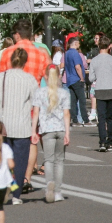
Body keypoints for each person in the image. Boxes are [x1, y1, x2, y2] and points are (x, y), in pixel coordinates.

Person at [0, 47, 38, 202]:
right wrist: (34, 128)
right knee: (20, 162)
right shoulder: (30, 79)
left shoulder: (0, 78)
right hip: (23, 126)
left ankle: (5, 186)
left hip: (3, 125)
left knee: (3, 160)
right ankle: (16, 195)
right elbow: (36, 105)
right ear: (25, 62)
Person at [33, 66, 71, 203]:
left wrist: (33, 131)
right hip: (60, 129)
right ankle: (59, 192)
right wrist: (67, 133)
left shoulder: (40, 93)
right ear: (59, 76)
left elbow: (36, 113)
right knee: (59, 161)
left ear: (45, 77)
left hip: (46, 130)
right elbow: (66, 114)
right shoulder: (64, 93)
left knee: (48, 160)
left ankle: (49, 184)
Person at [88, 36, 112, 151]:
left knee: (101, 118)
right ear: (109, 46)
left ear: (99, 46)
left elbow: (91, 78)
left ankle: (102, 142)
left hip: (100, 90)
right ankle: (110, 142)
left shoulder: (94, 60)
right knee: (110, 118)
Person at [63, 37, 89, 125]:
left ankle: (74, 119)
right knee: (82, 100)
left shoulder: (66, 53)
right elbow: (77, 67)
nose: (79, 45)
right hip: (76, 78)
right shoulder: (75, 53)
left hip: (69, 79)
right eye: (78, 43)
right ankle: (85, 119)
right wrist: (81, 77)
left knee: (73, 101)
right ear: (75, 43)